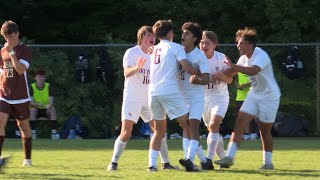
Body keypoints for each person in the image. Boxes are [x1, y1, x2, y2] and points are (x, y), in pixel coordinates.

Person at [107, 25, 176, 171]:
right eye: (148, 35)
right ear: (141, 37)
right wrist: (137, 67)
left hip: (150, 98)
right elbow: (126, 73)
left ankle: (166, 163)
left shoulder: (156, 53)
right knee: (126, 132)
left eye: (153, 36)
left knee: (159, 130)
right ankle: (113, 162)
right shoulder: (132, 52)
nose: (152, 38)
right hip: (132, 98)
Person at [214, 27, 281, 170]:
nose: (238, 46)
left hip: (270, 97)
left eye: (241, 43)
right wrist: (217, 75)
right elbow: (232, 71)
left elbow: (253, 70)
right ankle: (229, 158)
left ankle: (268, 163)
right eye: (238, 43)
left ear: (250, 44)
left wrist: (235, 66)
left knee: (264, 130)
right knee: (240, 122)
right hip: (255, 94)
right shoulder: (243, 58)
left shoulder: (260, 55)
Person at [148, 20, 200, 172]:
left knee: (159, 131)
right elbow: (188, 68)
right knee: (188, 125)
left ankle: (152, 165)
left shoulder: (155, 49)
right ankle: (189, 160)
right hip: (168, 91)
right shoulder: (176, 47)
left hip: (153, 92)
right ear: (170, 33)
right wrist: (203, 72)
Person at [196, 31, 233, 170]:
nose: (204, 45)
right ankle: (223, 158)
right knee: (212, 129)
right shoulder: (196, 58)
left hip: (220, 97)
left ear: (214, 45)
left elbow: (230, 79)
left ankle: (209, 159)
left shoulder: (221, 58)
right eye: (202, 42)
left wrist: (222, 76)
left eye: (207, 43)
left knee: (214, 123)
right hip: (204, 98)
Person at [178, 22, 210, 171]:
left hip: (196, 97)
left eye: (187, 34)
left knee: (193, 127)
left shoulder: (199, 56)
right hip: (181, 96)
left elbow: (207, 79)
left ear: (195, 38)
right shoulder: (178, 51)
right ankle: (204, 161)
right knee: (186, 127)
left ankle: (189, 160)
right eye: (183, 33)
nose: (183, 36)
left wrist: (197, 80)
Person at [0, 20, 33, 167]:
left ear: (17, 34)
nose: (9, 41)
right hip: (4, 95)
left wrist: (11, 52)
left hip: (20, 96)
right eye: (6, 38)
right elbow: (2, 72)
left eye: (12, 37)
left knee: (23, 126)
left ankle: (27, 159)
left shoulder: (24, 49)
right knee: (0, 122)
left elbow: (20, 70)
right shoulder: (2, 51)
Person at [29, 69, 58, 139]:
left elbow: (51, 101)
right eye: (39, 77)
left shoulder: (49, 86)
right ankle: (33, 133)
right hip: (36, 109)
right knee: (32, 110)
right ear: (35, 78)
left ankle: (54, 133)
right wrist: (39, 105)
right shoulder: (31, 87)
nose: (41, 79)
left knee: (53, 109)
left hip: (46, 110)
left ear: (45, 78)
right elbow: (31, 103)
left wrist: (49, 105)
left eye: (42, 77)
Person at [234, 72, 259, 140]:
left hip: (251, 96)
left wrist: (246, 85)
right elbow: (235, 80)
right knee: (241, 116)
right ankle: (244, 133)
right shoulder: (238, 71)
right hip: (240, 98)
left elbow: (257, 80)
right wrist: (238, 86)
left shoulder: (252, 70)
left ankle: (253, 133)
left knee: (251, 116)